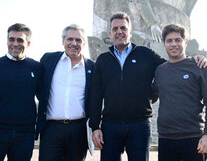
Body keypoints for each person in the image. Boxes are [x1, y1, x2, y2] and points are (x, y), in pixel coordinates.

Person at [89, 12, 207, 161]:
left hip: (140, 126)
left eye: (123, 28)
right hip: (110, 126)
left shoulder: (146, 54)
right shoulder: (103, 60)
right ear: (111, 33)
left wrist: (196, 59)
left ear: (130, 32)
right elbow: (96, 95)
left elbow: (173, 64)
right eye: (115, 29)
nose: (119, 32)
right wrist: (95, 126)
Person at [36, 24, 95, 161]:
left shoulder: (92, 67)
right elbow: (40, 89)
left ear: (84, 43)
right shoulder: (48, 60)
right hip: (51, 129)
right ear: (63, 41)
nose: (74, 43)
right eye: (70, 39)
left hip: (78, 131)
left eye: (78, 40)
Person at [153, 24, 207, 161]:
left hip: (194, 138)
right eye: (169, 41)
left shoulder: (199, 66)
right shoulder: (160, 71)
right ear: (164, 43)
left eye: (178, 40)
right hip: (166, 139)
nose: (173, 44)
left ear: (186, 42)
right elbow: (151, 96)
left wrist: (206, 135)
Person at [0, 23, 42, 160]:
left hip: (25, 133)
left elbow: (44, 97)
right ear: (7, 41)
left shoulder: (37, 68)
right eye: (11, 39)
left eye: (20, 40)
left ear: (28, 43)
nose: (15, 44)